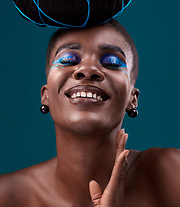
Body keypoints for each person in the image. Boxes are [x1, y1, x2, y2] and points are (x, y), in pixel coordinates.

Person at [0, 19, 180, 207]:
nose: (87, 70)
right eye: (68, 59)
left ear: (132, 99)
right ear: (46, 96)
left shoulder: (167, 173)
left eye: (111, 62)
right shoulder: (6, 196)